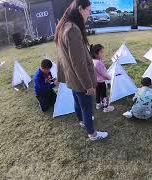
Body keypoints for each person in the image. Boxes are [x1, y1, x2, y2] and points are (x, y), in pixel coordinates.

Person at [55, 0, 108, 141]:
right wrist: (88, 86)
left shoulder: (63, 26)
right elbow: (78, 63)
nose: (89, 14)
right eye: (88, 11)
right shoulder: (72, 29)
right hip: (79, 79)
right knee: (86, 107)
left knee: (78, 102)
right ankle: (93, 134)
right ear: (80, 9)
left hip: (72, 77)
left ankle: (82, 121)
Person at [90, 44, 115, 113]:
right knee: (104, 95)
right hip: (101, 82)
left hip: (96, 81)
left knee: (98, 93)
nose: (103, 54)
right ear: (95, 54)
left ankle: (98, 104)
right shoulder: (98, 63)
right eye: (101, 52)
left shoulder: (93, 61)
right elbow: (103, 73)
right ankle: (106, 107)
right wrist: (109, 77)